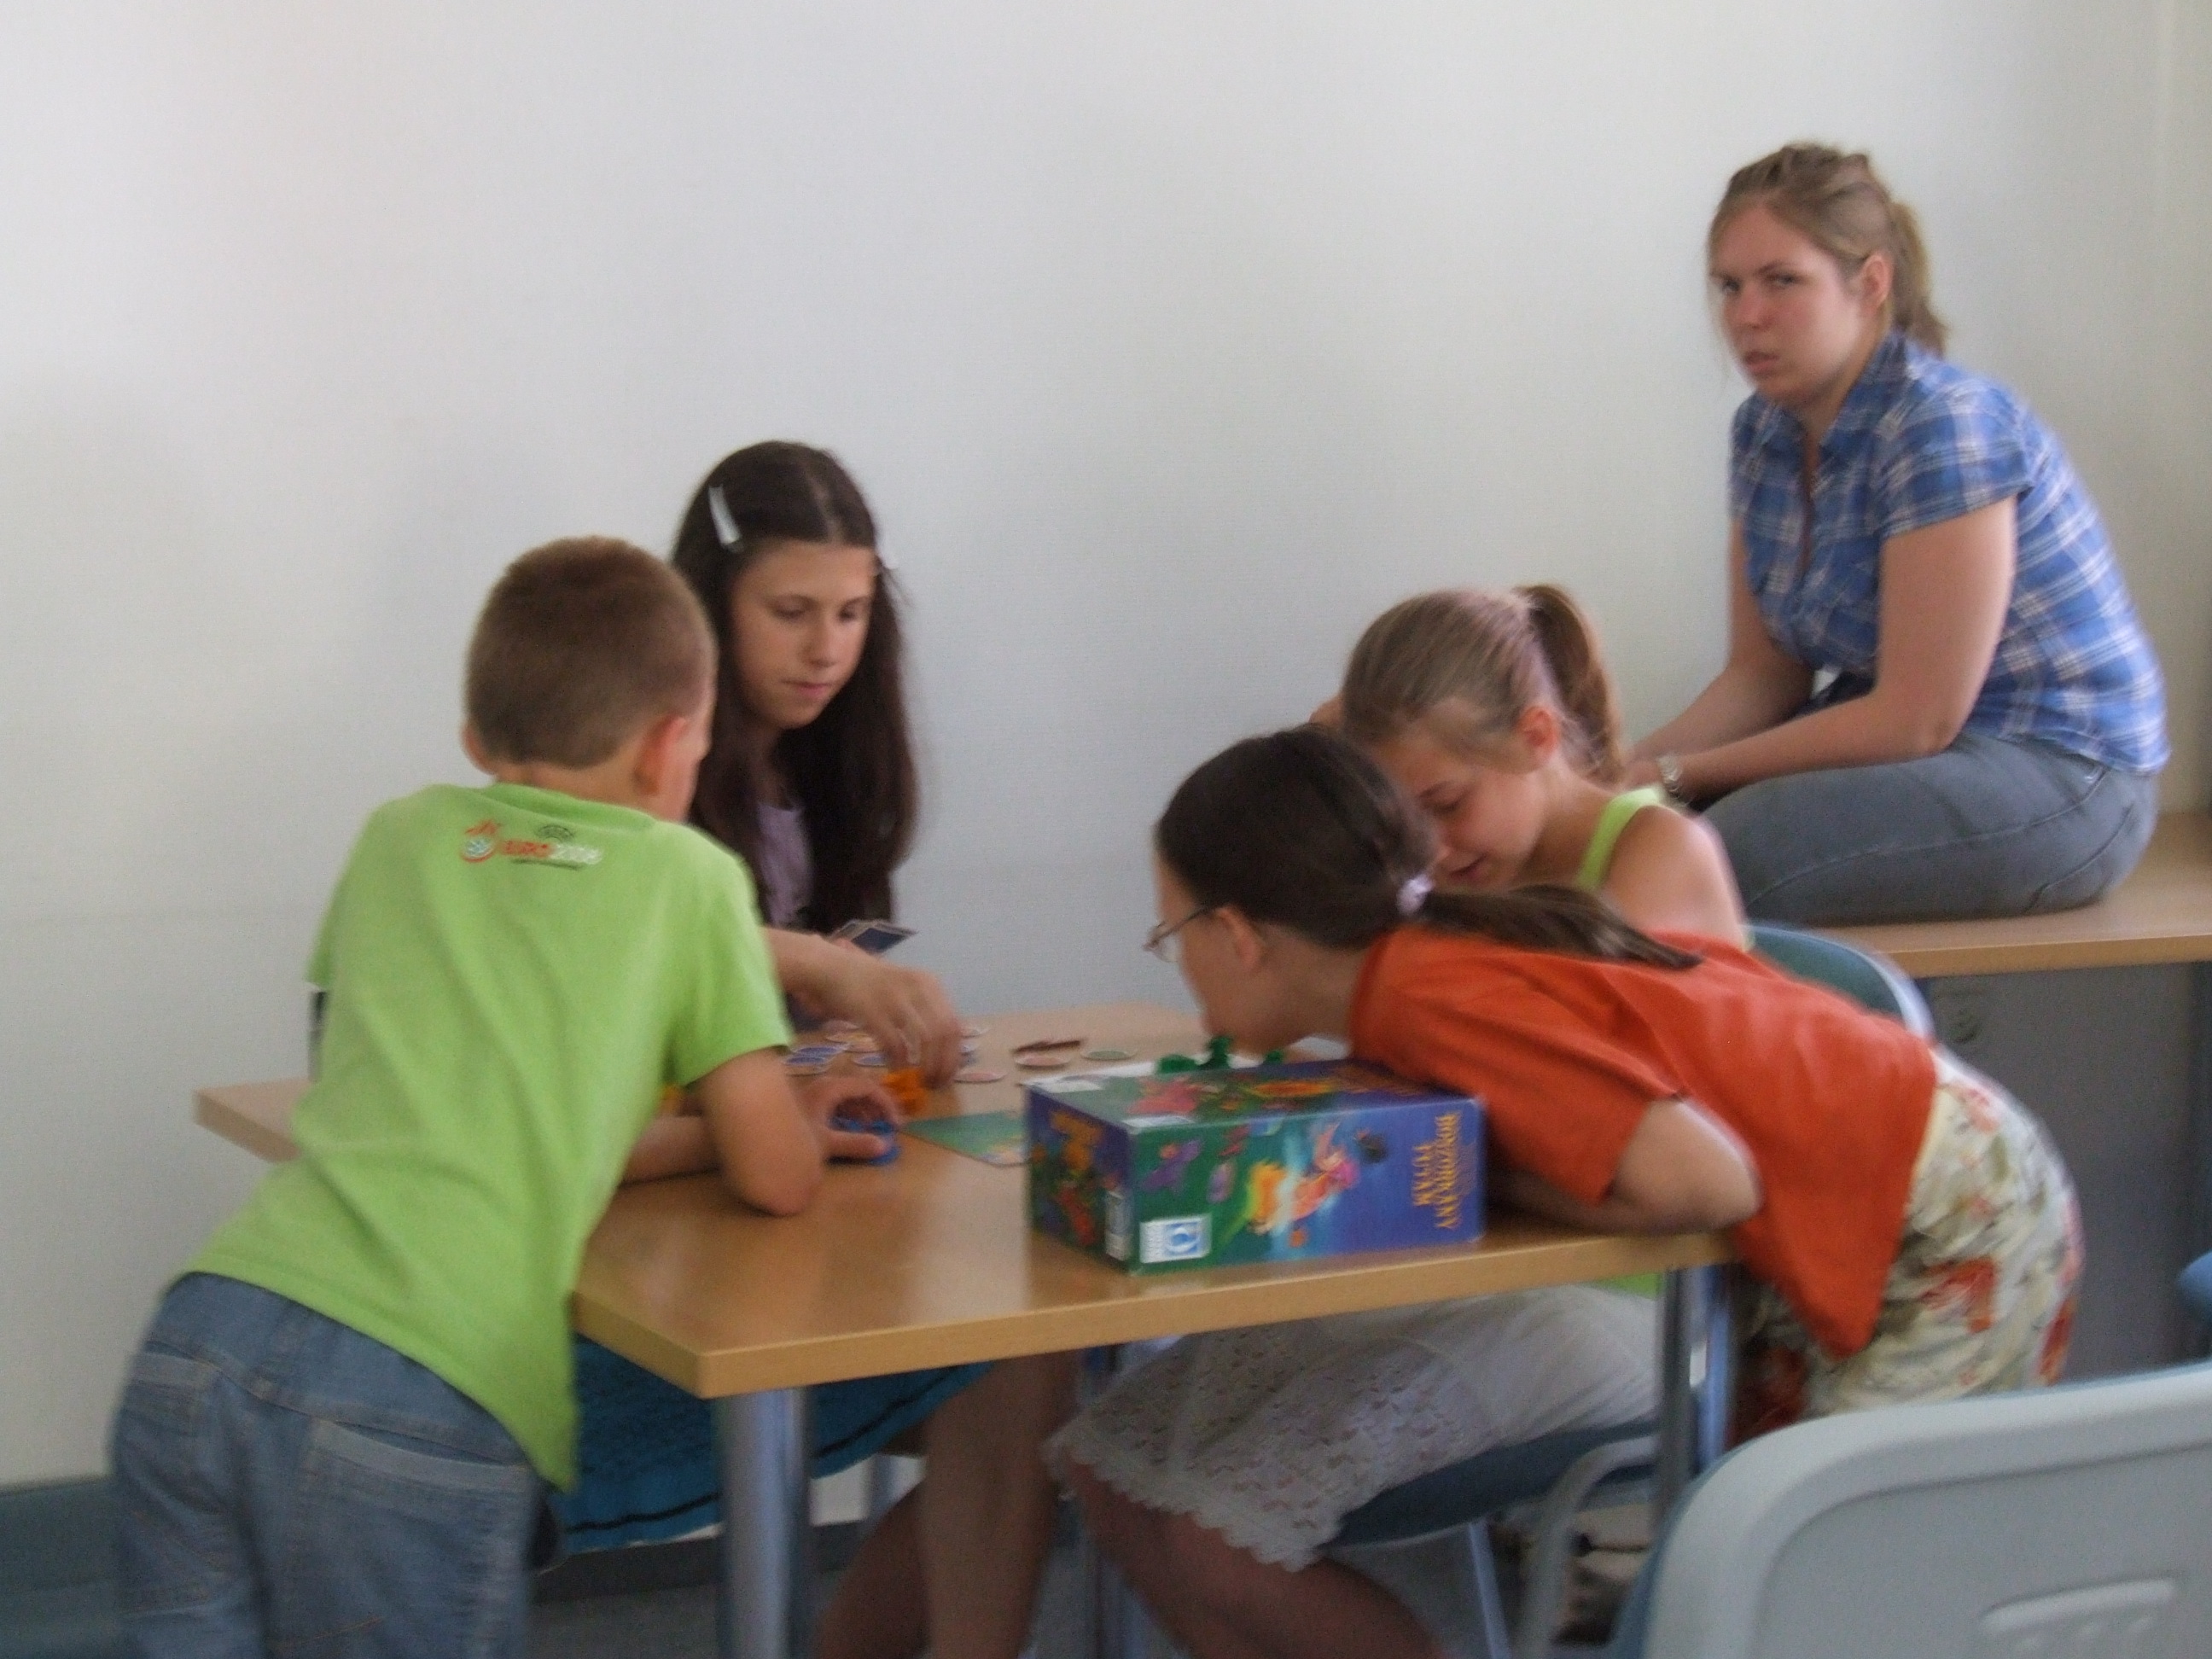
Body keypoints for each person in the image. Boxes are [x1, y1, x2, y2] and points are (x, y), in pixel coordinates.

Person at [1057, 727, 2081, 1659]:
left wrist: (1471, 1177)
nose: (1179, 964)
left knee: (1827, 1585)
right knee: (1763, 1573)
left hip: (1951, 1214)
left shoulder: (1429, 994)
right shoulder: (1410, 975)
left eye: (1172, 935)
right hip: (1891, 1189)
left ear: (1239, 934)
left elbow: (1706, 1180)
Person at [108, 538, 903, 1656]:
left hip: (204, 1336)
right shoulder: (693, 881)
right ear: (671, 745)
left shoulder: (396, 836)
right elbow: (775, 1177)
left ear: (477, 740)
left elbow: (420, 1097)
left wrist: (690, 1141)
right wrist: (783, 1128)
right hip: (418, 1391)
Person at [563, 442, 1073, 1659]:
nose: (826, 649)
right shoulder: (631, 764)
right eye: (790, 612)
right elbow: (611, 944)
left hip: (759, 1204)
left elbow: (769, 1034)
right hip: (645, 1245)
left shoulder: (832, 763)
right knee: (1014, 1386)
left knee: (1024, 1372)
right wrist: (818, 968)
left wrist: (850, 1036)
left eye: (851, 613)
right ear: (706, 610)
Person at [1627, 143, 2166, 925]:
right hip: (1926, 754)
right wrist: (1629, 771)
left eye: (1782, 281)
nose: (1747, 316)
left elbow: (1916, 716)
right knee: (1645, 833)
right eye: (1730, 286)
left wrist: (1678, 774)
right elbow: (1763, 679)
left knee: (1735, 849)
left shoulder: (1942, 424)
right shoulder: (1763, 432)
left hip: (2064, 772)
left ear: (1870, 283)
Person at [1338, 585, 1741, 941]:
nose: (1432, 852)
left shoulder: (1664, 850)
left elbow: (1578, 1001)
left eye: (1448, 805)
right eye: (1405, 825)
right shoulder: (1468, 875)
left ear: (1536, 737)